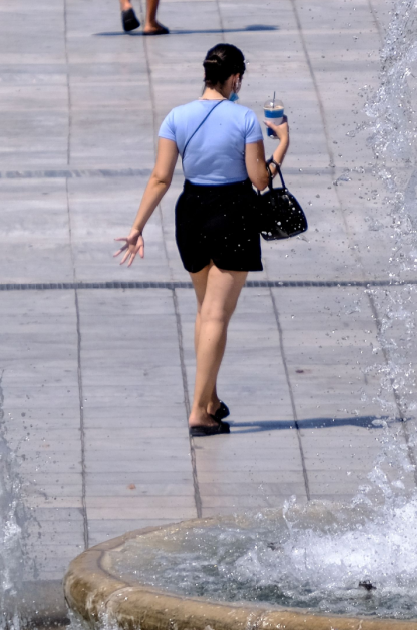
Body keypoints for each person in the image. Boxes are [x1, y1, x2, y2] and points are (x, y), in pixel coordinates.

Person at [114, 43, 290, 437]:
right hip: (233, 213)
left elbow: (160, 178)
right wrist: (282, 144)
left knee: (204, 311)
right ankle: (198, 411)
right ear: (235, 78)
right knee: (216, 315)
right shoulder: (244, 118)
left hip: (191, 211)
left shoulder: (176, 116)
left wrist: (136, 227)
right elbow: (260, 180)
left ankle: (210, 399)